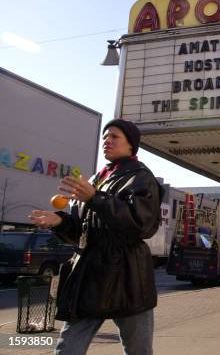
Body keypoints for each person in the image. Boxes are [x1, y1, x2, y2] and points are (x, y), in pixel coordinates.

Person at [29, 119, 163, 355]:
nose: (107, 141)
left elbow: (142, 225)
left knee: (138, 350)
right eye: (104, 137)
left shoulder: (141, 177)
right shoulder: (94, 180)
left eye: (114, 136)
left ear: (131, 144)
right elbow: (83, 233)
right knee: (67, 348)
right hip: (89, 276)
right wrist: (60, 222)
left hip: (128, 278)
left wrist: (95, 199)